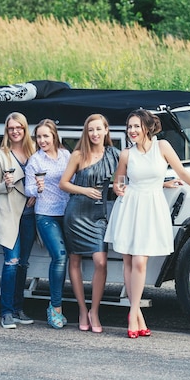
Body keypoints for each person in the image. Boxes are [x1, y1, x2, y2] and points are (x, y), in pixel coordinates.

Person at [105, 109, 190, 338]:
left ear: (147, 127)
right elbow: (118, 181)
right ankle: (136, 315)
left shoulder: (162, 147)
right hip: (130, 206)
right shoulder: (126, 154)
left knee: (140, 261)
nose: (131, 131)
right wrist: (117, 187)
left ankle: (134, 312)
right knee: (129, 261)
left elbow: (182, 172)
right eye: (129, 126)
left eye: (136, 126)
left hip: (151, 208)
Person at [59, 114, 120, 333]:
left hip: (97, 216)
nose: (94, 134)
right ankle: (82, 310)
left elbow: (136, 174)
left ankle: (95, 310)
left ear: (106, 130)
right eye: (90, 130)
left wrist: (165, 182)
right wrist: (84, 189)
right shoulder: (78, 155)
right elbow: (63, 184)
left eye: (98, 129)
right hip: (75, 214)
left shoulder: (114, 154)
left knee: (100, 261)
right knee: (74, 261)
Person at [0, 112, 37, 329]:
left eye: (19, 127)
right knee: (11, 262)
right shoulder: (1, 154)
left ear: (25, 129)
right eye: (11, 128)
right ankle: (6, 312)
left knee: (23, 264)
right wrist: (6, 184)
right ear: (7, 131)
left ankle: (18, 308)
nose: (15, 131)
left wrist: (35, 194)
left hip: (29, 215)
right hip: (9, 214)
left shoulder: (34, 150)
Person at [25, 119, 71, 329]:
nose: (42, 140)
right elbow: (28, 189)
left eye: (46, 136)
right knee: (60, 257)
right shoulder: (35, 160)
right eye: (39, 137)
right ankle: (55, 308)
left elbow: (74, 179)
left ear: (54, 136)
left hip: (68, 212)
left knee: (72, 258)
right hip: (45, 214)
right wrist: (37, 189)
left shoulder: (66, 155)